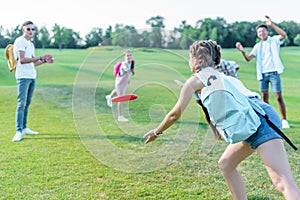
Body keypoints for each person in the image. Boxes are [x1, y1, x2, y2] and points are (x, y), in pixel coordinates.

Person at [144, 40, 300, 199]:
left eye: (190, 58)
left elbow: (174, 114)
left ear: (196, 60)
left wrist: (157, 132)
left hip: (260, 120)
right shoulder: (221, 76)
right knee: (226, 164)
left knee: (282, 182)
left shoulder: (196, 80)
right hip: (251, 120)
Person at [236, 15, 290, 128]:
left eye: (263, 31)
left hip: (274, 72)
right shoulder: (257, 46)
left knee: (278, 97)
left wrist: (272, 24)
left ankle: (284, 120)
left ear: (267, 31)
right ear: (257, 34)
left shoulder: (274, 40)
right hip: (262, 74)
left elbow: (283, 35)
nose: (262, 33)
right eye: (259, 32)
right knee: (264, 98)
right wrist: (242, 51)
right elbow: (248, 58)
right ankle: (268, 119)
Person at [12, 21, 55, 142]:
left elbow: (33, 63)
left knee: (27, 103)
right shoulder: (20, 41)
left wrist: (45, 61)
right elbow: (22, 60)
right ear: (23, 30)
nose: (31, 31)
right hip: (22, 77)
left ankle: (24, 128)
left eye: (32, 29)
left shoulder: (30, 44)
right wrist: (41, 56)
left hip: (31, 76)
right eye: (28, 29)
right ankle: (18, 131)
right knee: (21, 104)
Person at [105, 50, 135, 122]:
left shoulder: (131, 63)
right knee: (121, 99)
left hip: (124, 83)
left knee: (117, 91)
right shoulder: (124, 64)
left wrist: (128, 79)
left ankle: (109, 96)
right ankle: (120, 117)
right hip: (120, 83)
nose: (129, 57)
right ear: (124, 57)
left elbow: (129, 73)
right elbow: (126, 69)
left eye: (130, 55)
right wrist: (126, 70)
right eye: (127, 55)